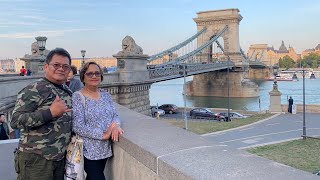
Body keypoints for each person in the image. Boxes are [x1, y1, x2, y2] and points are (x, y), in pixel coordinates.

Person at [11, 48, 73, 180]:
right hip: (36, 160)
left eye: (65, 66)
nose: (61, 69)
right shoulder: (34, 89)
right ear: (46, 67)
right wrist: (50, 113)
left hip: (59, 159)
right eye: (56, 65)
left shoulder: (67, 91)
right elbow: (16, 121)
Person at [73, 61, 123, 180]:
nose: (94, 76)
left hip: (105, 150)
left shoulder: (106, 95)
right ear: (83, 77)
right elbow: (78, 126)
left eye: (97, 73)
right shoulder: (78, 96)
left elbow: (115, 115)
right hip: (88, 152)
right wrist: (103, 135)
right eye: (90, 74)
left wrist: (116, 125)